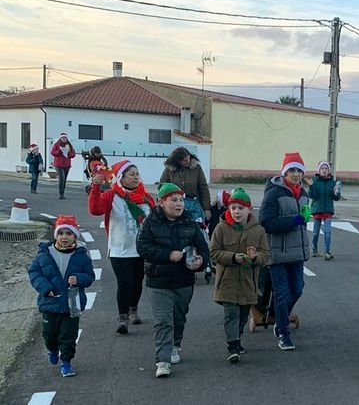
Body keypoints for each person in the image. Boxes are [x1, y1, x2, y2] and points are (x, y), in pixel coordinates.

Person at [136, 183, 209, 378]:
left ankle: (176, 344)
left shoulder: (189, 222)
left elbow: (204, 249)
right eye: (174, 200)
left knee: (178, 317)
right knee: (163, 321)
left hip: (184, 280)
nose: (179, 204)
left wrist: (201, 262)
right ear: (161, 202)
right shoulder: (150, 222)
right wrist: (168, 255)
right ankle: (163, 360)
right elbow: (143, 248)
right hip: (158, 280)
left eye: (181, 200)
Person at [88, 160, 155, 334]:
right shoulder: (111, 196)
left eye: (137, 174)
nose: (136, 177)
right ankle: (122, 316)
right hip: (119, 249)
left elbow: (156, 220)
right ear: (121, 177)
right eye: (131, 174)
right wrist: (95, 187)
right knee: (124, 282)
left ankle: (133, 309)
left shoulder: (146, 197)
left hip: (141, 250)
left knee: (137, 282)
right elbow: (95, 209)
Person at [28, 215, 95, 377]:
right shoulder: (45, 254)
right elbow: (34, 273)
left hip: (72, 304)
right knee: (49, 334)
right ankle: (52, 349)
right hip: (50, 302)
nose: (64, 237)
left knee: (68, 336)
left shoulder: (81, 255)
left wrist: (78, 279)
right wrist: (45, 288)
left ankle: (66, 363)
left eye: (69, 233)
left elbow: (89, 276)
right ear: (56, 235)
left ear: (75, 237)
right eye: (61, 233)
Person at [209, 188, 269, 362]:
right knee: (231, 314)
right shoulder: (221, 228)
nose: (236, 212)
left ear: (249, 209)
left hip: (248, 282)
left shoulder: (258, 231)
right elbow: (214, 252)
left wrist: (255, 257)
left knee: (243, 315)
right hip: (227, 281)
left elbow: (266, 255)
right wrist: (233, 257)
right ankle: (233, 347)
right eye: (233, 208)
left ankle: (237, 339)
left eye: (240, 208)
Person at [259, 152, 311, 351]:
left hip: (297, 251)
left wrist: (304, 218)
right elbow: (266, 222)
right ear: (284, 173)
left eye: (299, 170)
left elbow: (302, 221)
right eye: (292, 170)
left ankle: (279, 317)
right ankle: (283, 332)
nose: (296, 174)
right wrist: (294, 220)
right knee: (281, 293)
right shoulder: (274, 193)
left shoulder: (303, 194)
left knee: (297, 289)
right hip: (277, 252)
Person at [159, 147, 211, 224]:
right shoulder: (169, 170)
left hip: (194, 206)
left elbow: (203, 188)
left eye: (188, 158)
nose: (187, 161)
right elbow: (162, 187)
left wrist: (207, 208)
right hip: (175, 206)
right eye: (184, 160)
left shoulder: (196, 168)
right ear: (178, 161)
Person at [305, 160, 341, 260]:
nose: (324, 170)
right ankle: (314, 249)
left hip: (328, 210)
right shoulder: (315, 181)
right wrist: (311, 186)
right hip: (317, 209)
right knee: (315, 233)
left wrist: (337, 192)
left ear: (328, 170)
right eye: (322, 168)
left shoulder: (332, 183)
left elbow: (336, 198)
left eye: (326, 168)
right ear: (319, 170)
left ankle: (327, 252)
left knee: (328, 232)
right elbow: (312, 195)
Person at [50, 132, 76, 199]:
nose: (64, 139)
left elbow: (73, 154)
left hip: (67, 164)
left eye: (65, 138)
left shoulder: (69, 145)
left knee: (64, 180)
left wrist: (68, 153)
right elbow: (53, 153)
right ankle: (61, 194)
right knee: (62, 178)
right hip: (58, 164)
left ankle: (62, 193)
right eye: (63, 138)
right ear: (60, 138)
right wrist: (59, 152)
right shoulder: (57, 144)